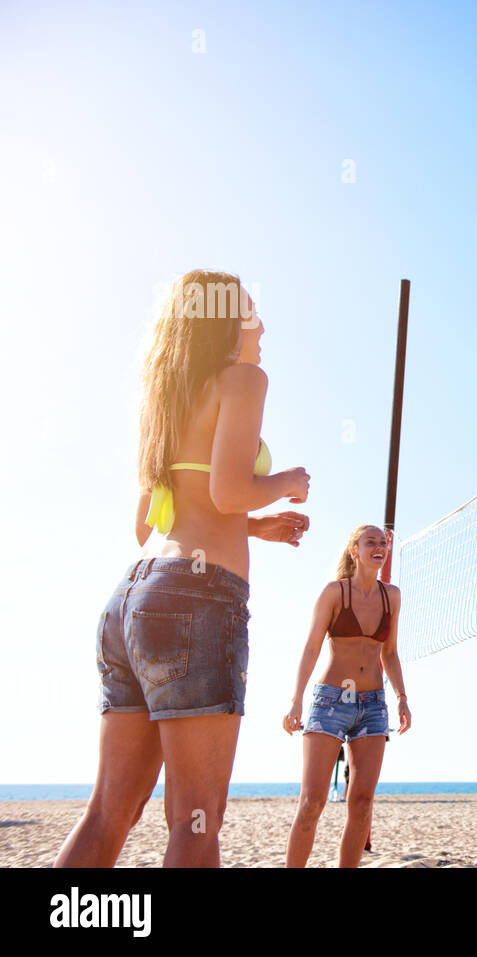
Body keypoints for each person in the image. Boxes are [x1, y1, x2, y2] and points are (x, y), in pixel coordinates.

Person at [55, 271, 311, 867]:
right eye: (252, 314)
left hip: (132, 600)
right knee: (196, 823)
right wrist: (283, 485)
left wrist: (253, 527)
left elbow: (150, 524)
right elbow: (227, 491)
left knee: (107, 812)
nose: (263, 327)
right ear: (222, 321)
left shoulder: (165, 399)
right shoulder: (244, 379)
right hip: (198, 602)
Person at [283, 524, 411, 867]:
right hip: (330, 702)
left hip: (373, 706)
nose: (379, 547)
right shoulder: (334, 593)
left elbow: (391, 654)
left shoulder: (392, 596)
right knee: (312, 801)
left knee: (363, 802)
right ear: (355, 550)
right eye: (371, 542)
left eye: (383, 543)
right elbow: (311, 648)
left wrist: (401, 697)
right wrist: (296, 699)